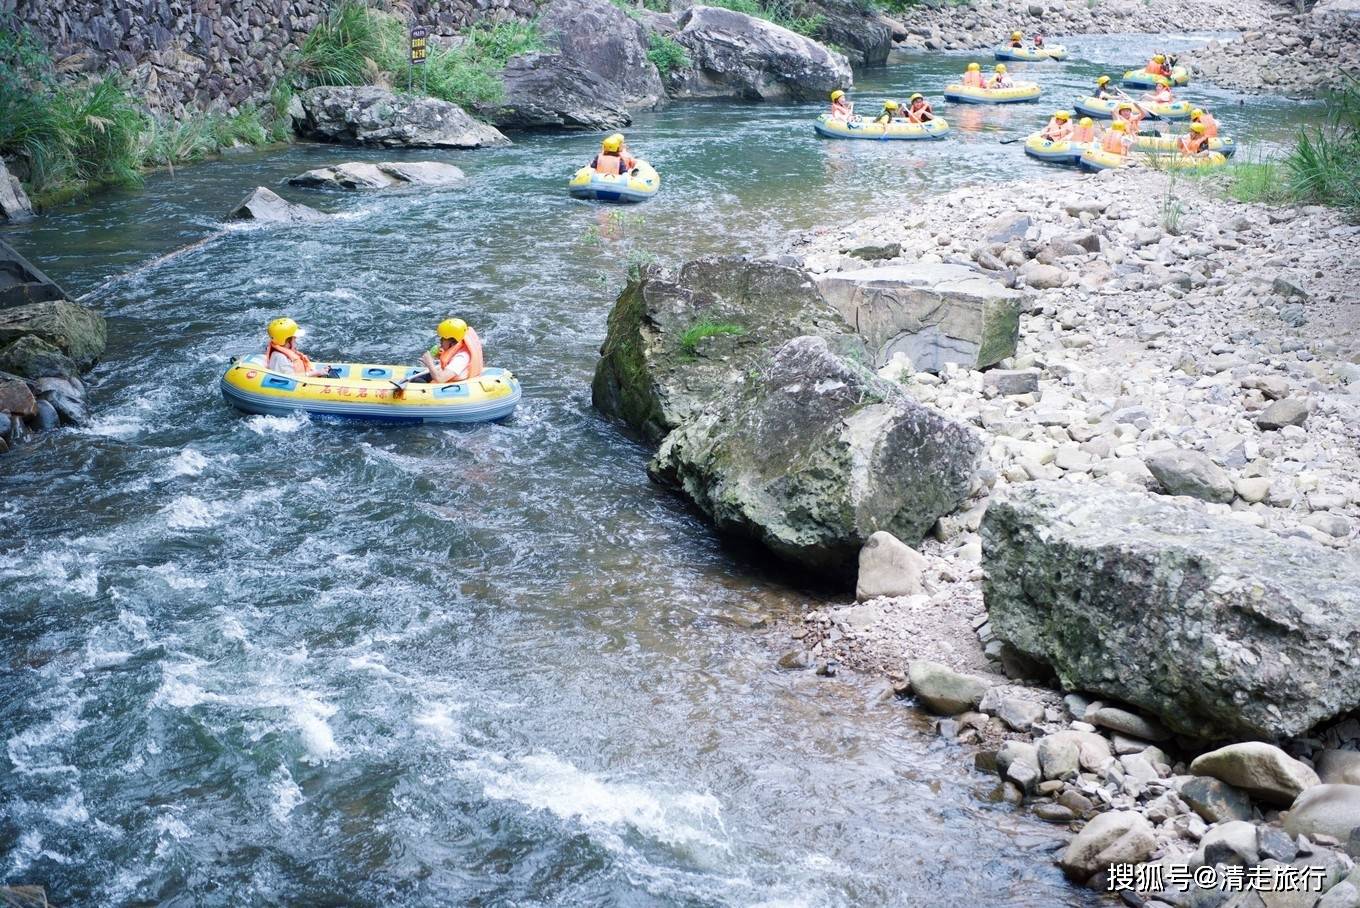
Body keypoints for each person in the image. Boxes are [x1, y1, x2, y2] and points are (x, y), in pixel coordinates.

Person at [419, 318, 484, 384]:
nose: (440, 340)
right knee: (420, 377)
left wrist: (429, 363)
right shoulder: (458, 347)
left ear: (452, 341)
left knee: (418, 382)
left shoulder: (461, 358)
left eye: (443, 338)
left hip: (451, 384)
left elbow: (440, 379)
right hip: (449, 378)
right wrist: (440, 356)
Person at [264, 317, 331, 377]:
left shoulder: (285, 352)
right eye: (294, 339)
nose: (296, 341)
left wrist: (317, 371)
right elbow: (290, 377)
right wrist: (315, 373)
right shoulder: (279, 357)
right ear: (287, 341)